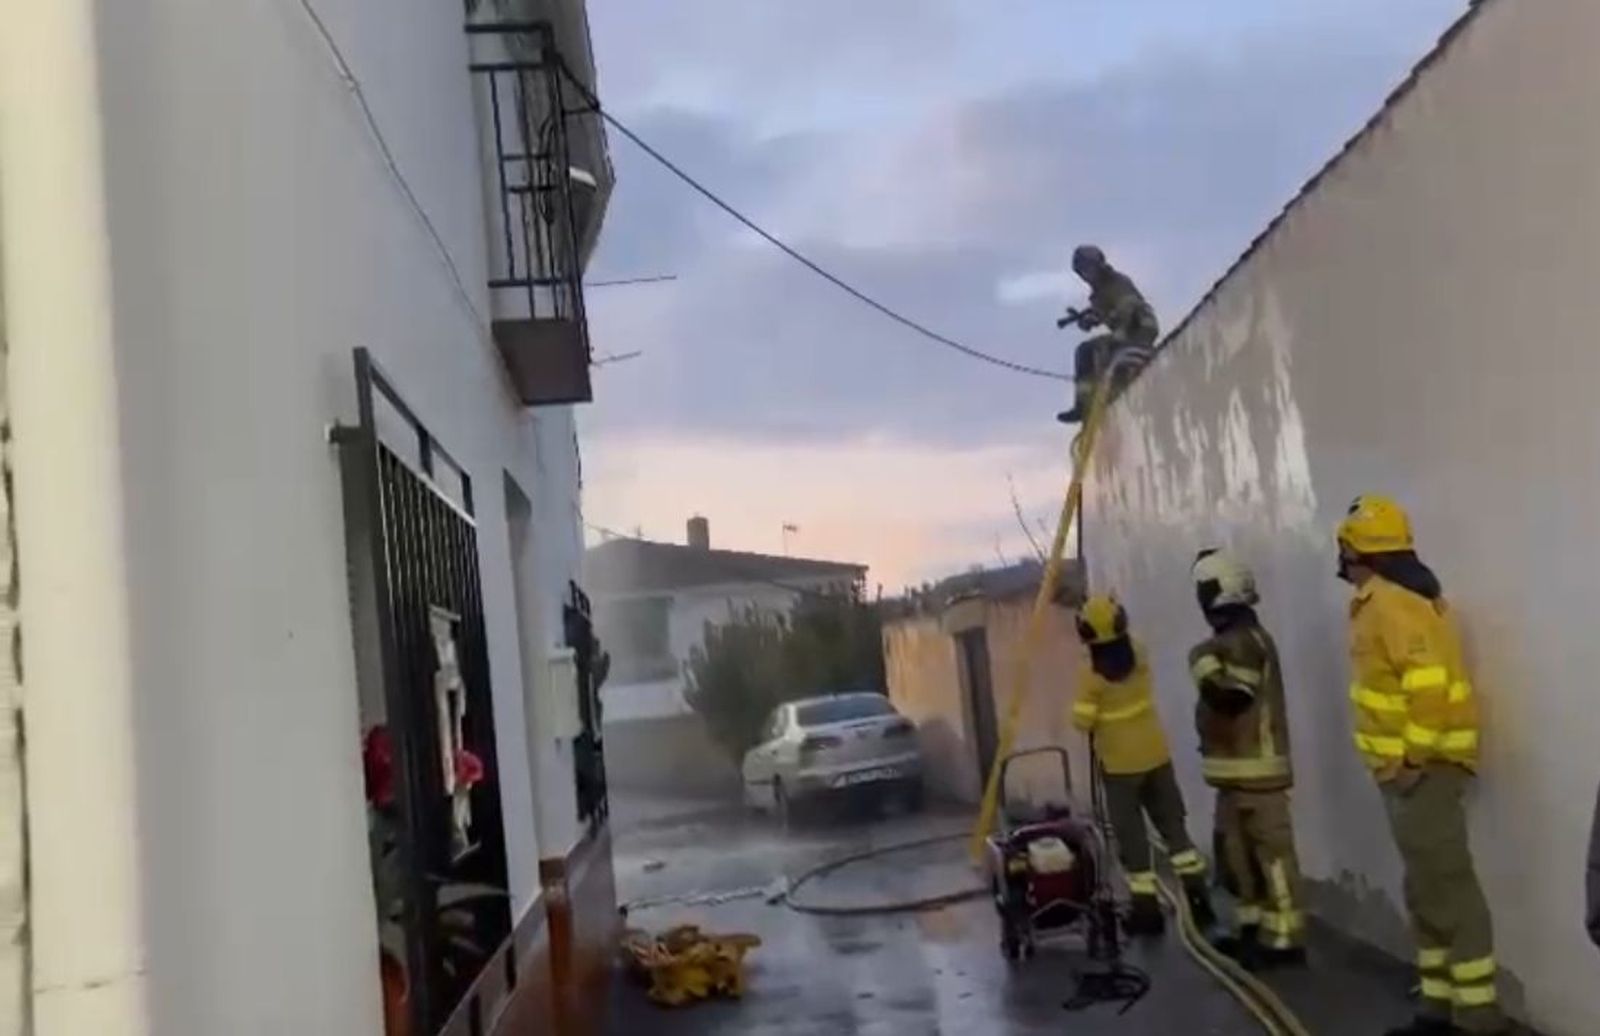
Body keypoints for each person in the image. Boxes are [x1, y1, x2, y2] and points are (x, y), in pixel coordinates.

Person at [1337, 495, 1504, 1036]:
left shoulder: (1392, 604)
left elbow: (1428, 689)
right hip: (1409, 771)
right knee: (1425, 889)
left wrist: (1411, 758)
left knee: (1448, 888)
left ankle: (1477, 1017)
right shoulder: (1391, 600)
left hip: (1424, 770)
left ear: (1356, 550)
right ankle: (1439, 1007)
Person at [1187, 549, 1307, 970]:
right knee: (1240, 861)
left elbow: (1232, 697)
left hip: (1260, 776)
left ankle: (1285, 940)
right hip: (1234, 777)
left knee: (1272, 858)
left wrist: (1201, 665)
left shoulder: (1245, 642)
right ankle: (1254, 930)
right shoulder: (1229, 642)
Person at [1070, 593, 1214, 936]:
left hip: (1120, 768)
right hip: (1156, 757)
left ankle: (1147, 914)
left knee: (1133, 840)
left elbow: (1082, 722)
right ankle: (1200, 903)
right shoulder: (1140, 653)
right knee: (1175, 831)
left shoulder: (1091, 676)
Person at [1055, 244, 1160, 424]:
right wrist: (1088, 320)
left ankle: (1092, 401)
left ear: (1098, 265)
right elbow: (1098, 316)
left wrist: (1116, 330)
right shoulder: (1097, 295)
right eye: (1082, 272)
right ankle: (1088, 402)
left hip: (1139, 328)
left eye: (1088, 269)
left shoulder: (1117, 282)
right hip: (1127, 332)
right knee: (1087, 353)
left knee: (1092, 351)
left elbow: (1127, 307)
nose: (1086, 276)